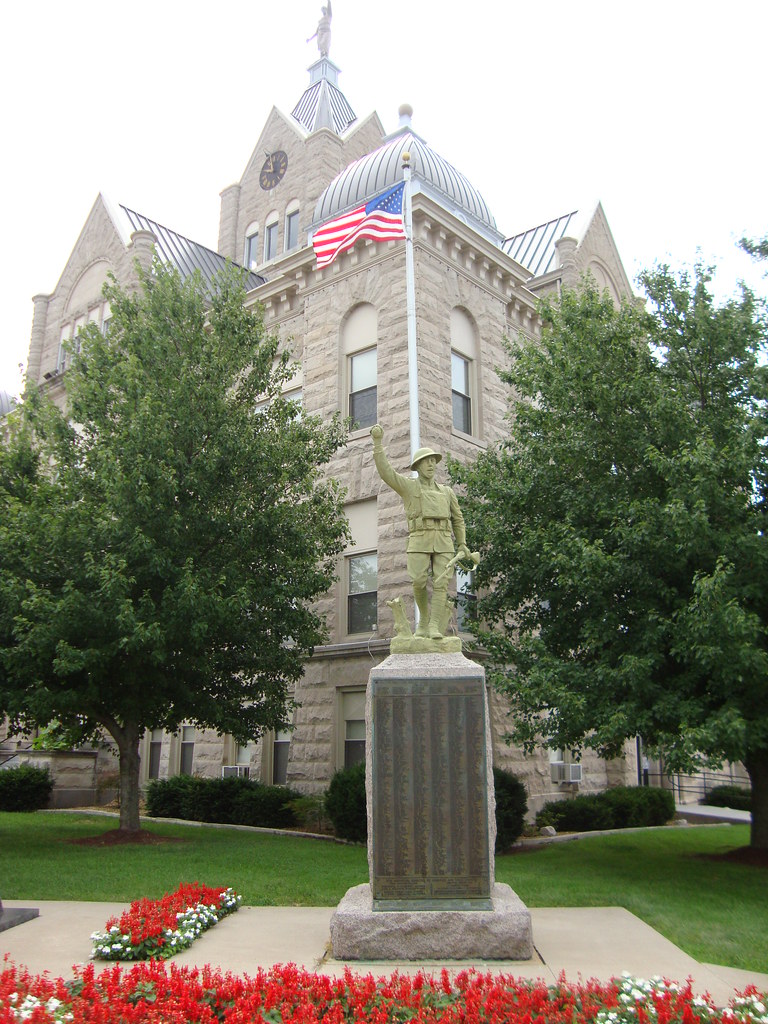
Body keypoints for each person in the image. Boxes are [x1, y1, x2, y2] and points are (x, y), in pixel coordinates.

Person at [370, 423, 470, 639]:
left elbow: (458, 518)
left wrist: (462, 543)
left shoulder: (447, 491)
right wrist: (378, 443)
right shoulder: (409, 486)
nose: (431, 465)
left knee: (442, 583)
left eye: (434, 461)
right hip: (419, 538)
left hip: (443, 540)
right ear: (418, 466)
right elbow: (386, 473)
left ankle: (434, 626)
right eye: (427, 462)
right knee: (418, 581)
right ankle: (423, 621)